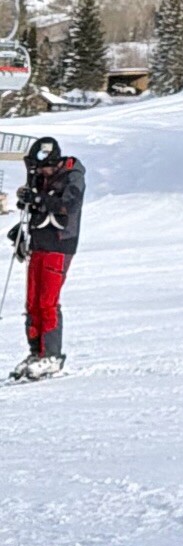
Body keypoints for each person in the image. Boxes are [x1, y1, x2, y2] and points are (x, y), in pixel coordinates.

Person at [8, 136, 86, 381]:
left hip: (59, 244)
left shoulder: (72, 176)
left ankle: (51, 355)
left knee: (47, 301)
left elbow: (68, 206)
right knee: (32, 302)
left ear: (54, 162)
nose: (40, 171)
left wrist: (38, 199)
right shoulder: (39, 177)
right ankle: (36, 353)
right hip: (39, 242)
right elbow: (34, 205)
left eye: (43, 167)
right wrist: (26, 204)